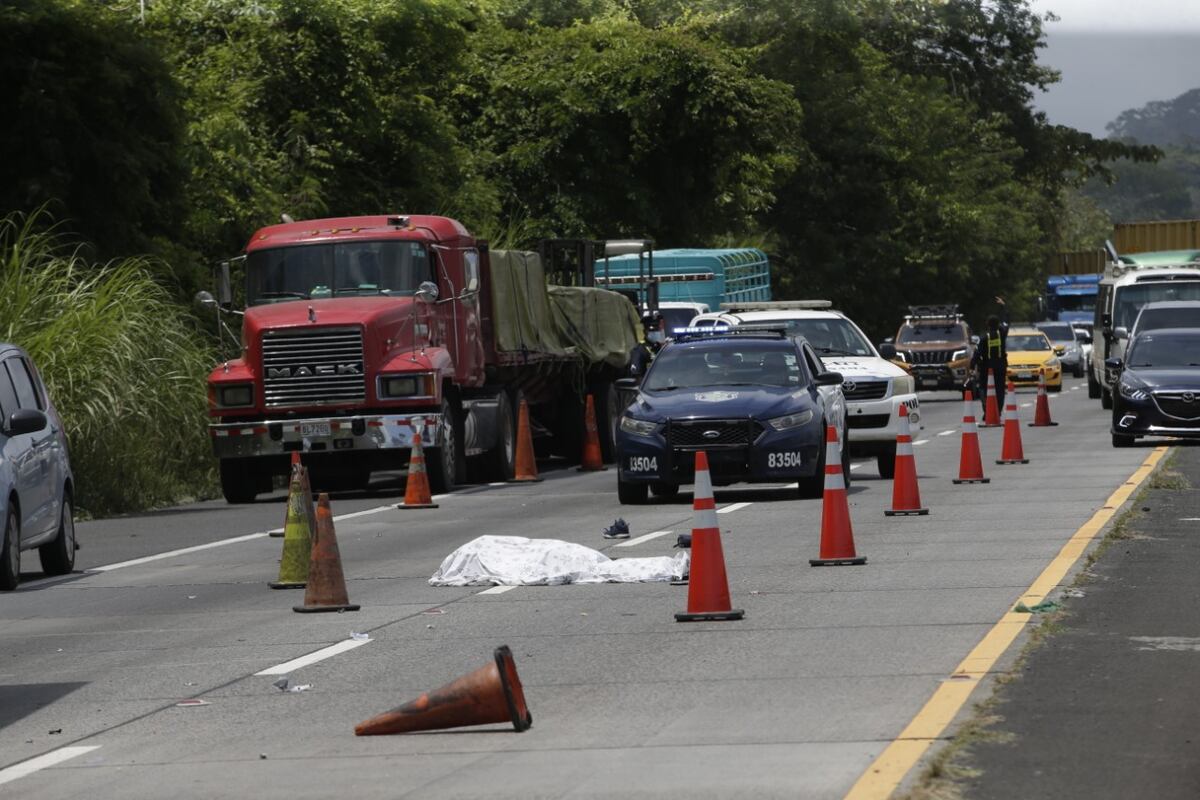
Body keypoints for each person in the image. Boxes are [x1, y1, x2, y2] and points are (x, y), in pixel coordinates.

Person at [971, 296, 1009, 415]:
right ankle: (998, 411)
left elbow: (977, 352)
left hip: (986, 368)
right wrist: (1003, 306)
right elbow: (1006, 321)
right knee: (1000, 389)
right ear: (998, 324)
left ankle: (987, 411)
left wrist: (972, 366)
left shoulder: (983, 337)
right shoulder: (1002, 333)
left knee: (984, 389)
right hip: (1000, 366)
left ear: (987, 324)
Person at [628, 310, 665, 378]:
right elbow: (637, 376)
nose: (656, 333)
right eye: (652, 330)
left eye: (657, 330)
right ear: (645, 332)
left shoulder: (662, 347)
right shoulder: (640, 350)